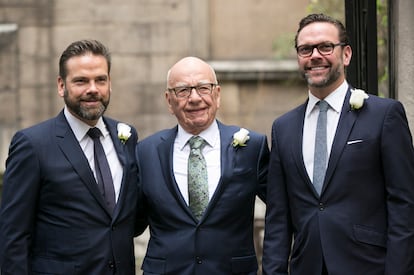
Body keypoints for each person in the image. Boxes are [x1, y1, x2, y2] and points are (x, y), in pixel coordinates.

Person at [262, 13, 414, 275]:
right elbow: (278, 217)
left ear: (346, 55)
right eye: (305, 49)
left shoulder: (384, 115)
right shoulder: (283, 128)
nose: (315, 55)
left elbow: (404, 205)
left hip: (369, 267)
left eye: (325, 47)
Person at [0, 39, 142, 274]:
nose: (93, 89)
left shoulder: (126, 137)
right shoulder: (33, 145)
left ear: (109, 83)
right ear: (61, 85)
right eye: (81, 81)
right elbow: (13, 234)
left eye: (100, 80)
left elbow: (127, 218)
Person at [135, 56, 269, 274]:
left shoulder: (252, 148)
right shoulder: (146, 152)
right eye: (183, 90)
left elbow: (281, 212)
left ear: (217, 95)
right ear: (169, 101)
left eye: (203, 88)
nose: (195, 98)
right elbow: (132, 222)